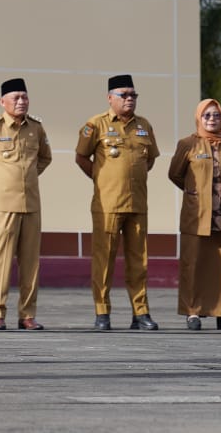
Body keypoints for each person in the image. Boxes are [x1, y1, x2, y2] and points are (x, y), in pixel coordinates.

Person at [74, 74, 161, 331]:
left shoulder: (143, 125)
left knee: (139, 261)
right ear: (110, 97)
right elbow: (81, 157)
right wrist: (102, 179)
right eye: (124, 95)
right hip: (107, 205)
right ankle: (102, 312)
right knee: (104, 260)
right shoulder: (96, 125)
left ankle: (141, 312)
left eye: (133, 95)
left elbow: (150, 159)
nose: (130, 99)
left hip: (137, 204)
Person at [0, 78, 52, 331]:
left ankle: (27, 314)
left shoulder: (36, 127)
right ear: (2, 102)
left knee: (30, 262)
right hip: (2, 204)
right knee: (0, 261)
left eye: (24, 97)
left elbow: (45, 158)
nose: (21, 101)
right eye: (15, 97)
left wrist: (26, 177)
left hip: (31, 204)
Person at [168, 99, 221, 330]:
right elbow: (175, 174)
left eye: (216, 115)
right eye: (207, 116)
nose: (212, 120)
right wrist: (194, 191)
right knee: (194, 263)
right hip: (197, 214)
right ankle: (193, 312)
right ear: (198, 118)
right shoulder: (188, 144)